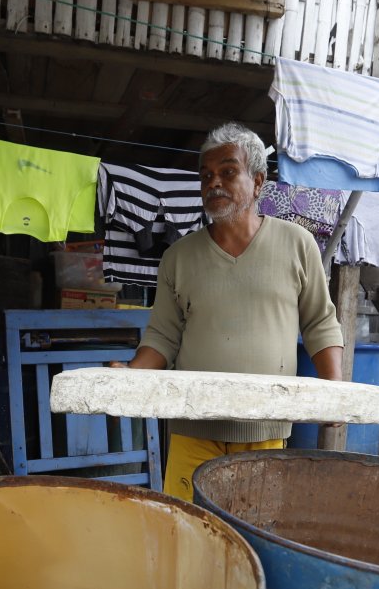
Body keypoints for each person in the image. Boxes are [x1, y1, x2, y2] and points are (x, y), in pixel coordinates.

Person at [117, 123, 345, 502]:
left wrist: (336, 392)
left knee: (254, 532)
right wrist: (130, 377)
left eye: (227, 172)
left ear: (258, 182)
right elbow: (162, 336)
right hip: (193, 427)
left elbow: (320, 322)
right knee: (190, 532)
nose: (213, 183)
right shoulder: (178, 257)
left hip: (265, 427)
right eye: (206, 176)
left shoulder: (297, 245)